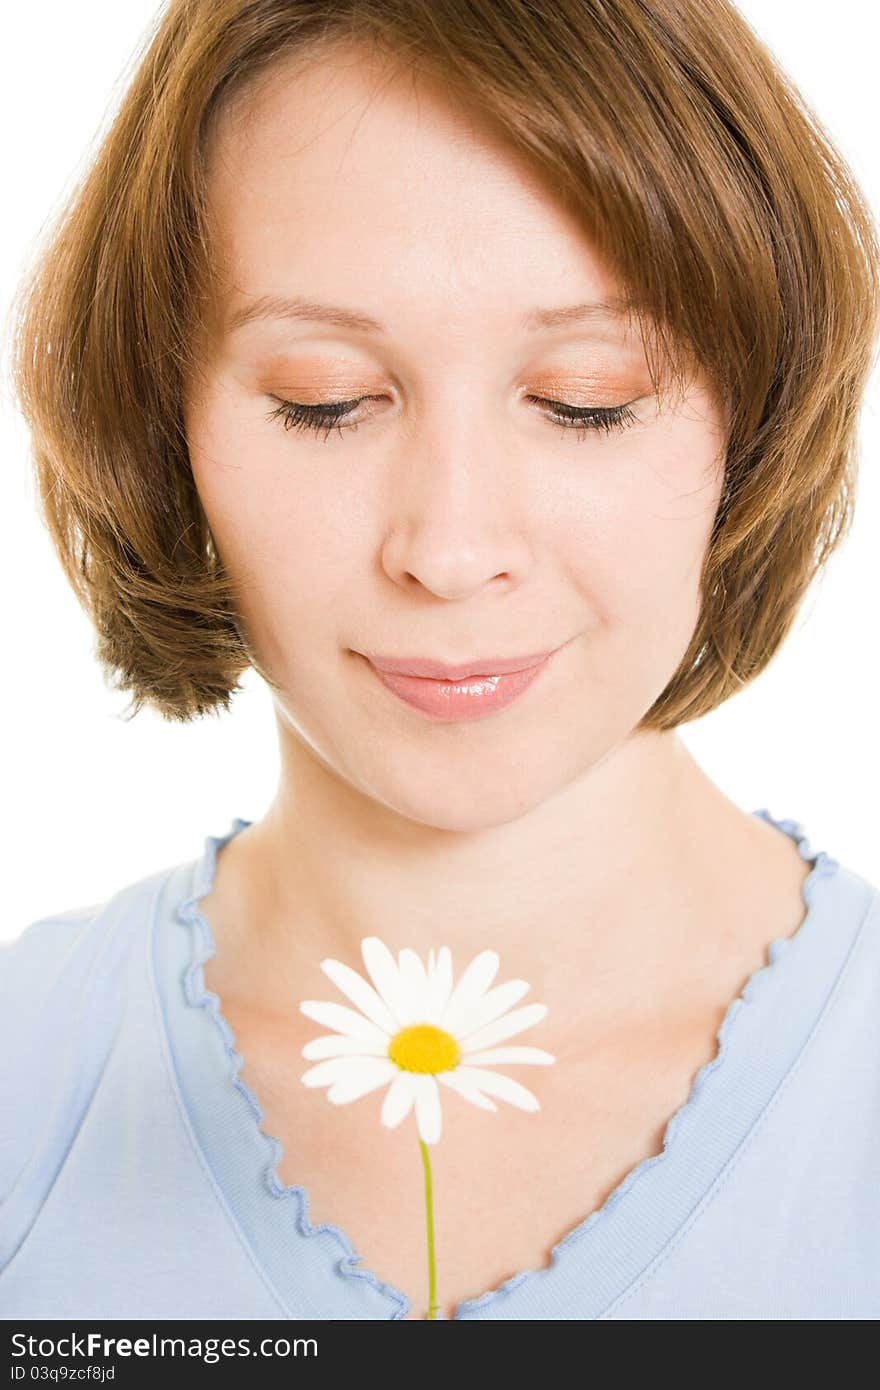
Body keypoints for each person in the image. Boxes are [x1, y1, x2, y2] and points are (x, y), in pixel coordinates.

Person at [2, 0, 879, 1322]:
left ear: (750, 412)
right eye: (326, 397)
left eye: (587, 397)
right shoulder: (31, 1071)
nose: (451, 548)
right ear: (157, 416)